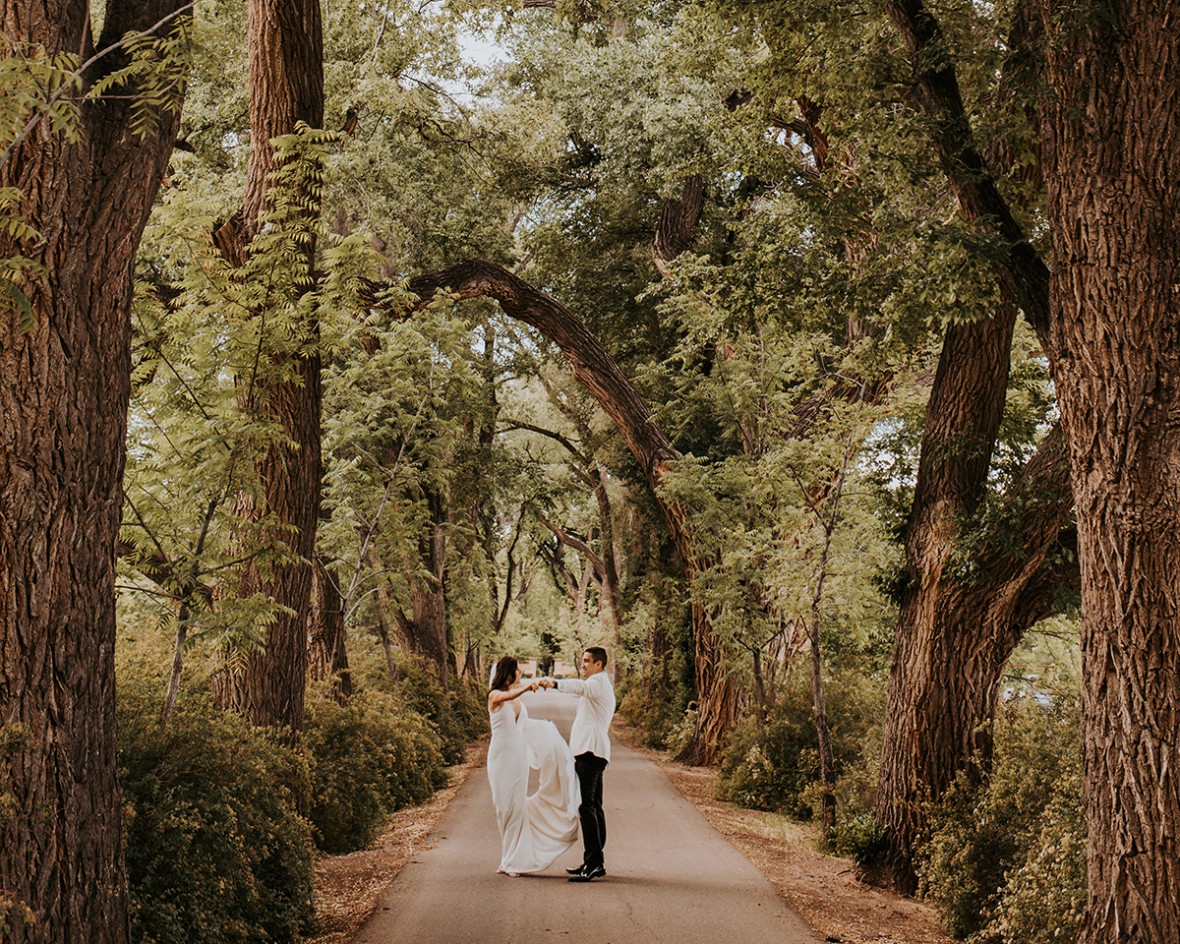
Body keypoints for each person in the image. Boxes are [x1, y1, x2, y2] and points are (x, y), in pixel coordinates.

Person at [486, 656, 579, 876]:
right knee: (503, 808)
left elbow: (525, 727)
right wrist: (527, 687)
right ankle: (507, 857)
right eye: (517, 670)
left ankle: (512, 860)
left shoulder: (518, 703)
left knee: (517, 806)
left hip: (518, 758)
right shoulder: (495, 696)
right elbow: (507, 695)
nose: (520, 674)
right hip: (500, 759)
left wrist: (549, 738)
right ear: (508, 673)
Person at [538, 647, 616, 882]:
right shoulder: (599, 685)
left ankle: (594, 861)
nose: (582, 665)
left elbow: (580, 688)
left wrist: (555, 684)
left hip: (590, 752)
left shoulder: (598, 683)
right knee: (594, 806)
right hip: (593, 752)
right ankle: (594, 860)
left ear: (598, 665)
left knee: (586, 806)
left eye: (586, 661)